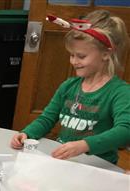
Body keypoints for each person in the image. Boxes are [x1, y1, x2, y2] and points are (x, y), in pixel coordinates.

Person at [10, 10, 130, 164]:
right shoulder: (68, 86)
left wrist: (85, 145)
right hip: (65, 163)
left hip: (98, 167)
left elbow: (125, 130)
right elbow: (47, 118)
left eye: (81, 56)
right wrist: (27, 133)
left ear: (106, 54)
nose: (73, 61)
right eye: (72, 55)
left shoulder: (120, 92)